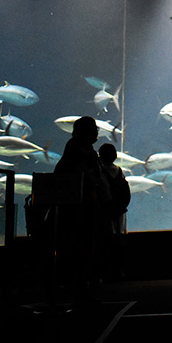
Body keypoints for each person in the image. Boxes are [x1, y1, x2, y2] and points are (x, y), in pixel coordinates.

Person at [54, 116, 111, 298]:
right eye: (94, 129)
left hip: (88, 206)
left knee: (88, 242)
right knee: (81, 242)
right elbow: (84, 178)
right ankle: (79, 279)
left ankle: (84, 278)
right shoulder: (77, 151)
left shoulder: (86, 150)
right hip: (80, 208)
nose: (97, 132)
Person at [98, 143, 131, 280]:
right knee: (116, 240)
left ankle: (111, 271)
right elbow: (125, 191)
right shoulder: (118, 170)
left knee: (109, 240)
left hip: (108, 209)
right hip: (117, 210)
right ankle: (117, 271)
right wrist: (121, 206)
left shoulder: (100, 170)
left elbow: (103, 190)